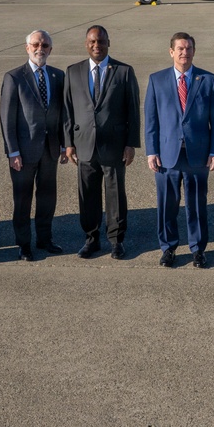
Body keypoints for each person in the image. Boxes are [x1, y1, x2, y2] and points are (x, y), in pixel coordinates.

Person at [145, 32, 214, 268]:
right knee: (167, 204)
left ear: (194, 51)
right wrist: (151, 151)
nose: (184, 53)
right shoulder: (157, 80)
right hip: (167, 154)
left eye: (189, 48)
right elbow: (151, 119)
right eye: (180, 48)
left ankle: (198, 249)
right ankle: (168, 248)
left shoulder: (208, 80)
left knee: (197, 204)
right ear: (171, 52)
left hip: (197, 154)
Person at [64, 25, 141, 260]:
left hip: (114, 145)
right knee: (87, 195)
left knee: (115, 193)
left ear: (109, 43)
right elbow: (68, 110)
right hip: (84, 144)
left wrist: (131, 144)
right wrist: (69, 143)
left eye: (101, 41)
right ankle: (91, 239)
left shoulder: (124, 71)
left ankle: (116, 241)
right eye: (92, 42)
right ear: (86, 44)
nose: (96, 45)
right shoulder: (73, 71)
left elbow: (133, 110)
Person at [0, 30, 67, 262]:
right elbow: (6, 117)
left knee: (48, 197)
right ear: (27, 47)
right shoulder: (14, 77)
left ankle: (45, 239)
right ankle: (24, 244)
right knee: (23, 199)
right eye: (36, 44)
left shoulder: (58, 76)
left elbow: (62, 115)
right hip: (23, 152)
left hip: (50, 149)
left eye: (45, 45)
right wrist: (13, 151)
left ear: (50, 49)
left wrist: (63, 145)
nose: (41, 48)